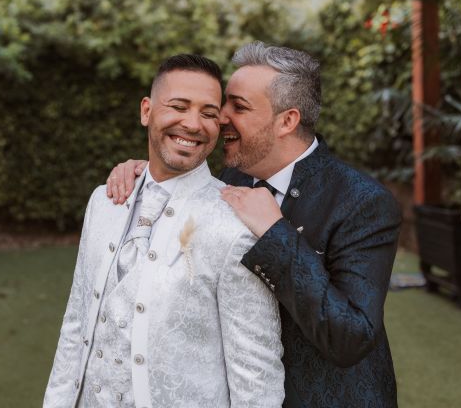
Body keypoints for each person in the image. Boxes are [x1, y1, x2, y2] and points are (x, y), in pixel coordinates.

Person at [106, 42, 402, 407]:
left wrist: (276, 234)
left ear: (287, 121)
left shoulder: (362, 202)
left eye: (238, 106)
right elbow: (180, 166)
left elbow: (351, 337)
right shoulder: (231, 177)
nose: (221, 116)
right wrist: (143, 173)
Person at [44, 54, 284, 408]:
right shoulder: (104, 202)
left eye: (208, 113)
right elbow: (76, 324)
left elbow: (256, 375)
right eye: (178, 106)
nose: (193, 123)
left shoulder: (235, 224)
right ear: (146, 111)